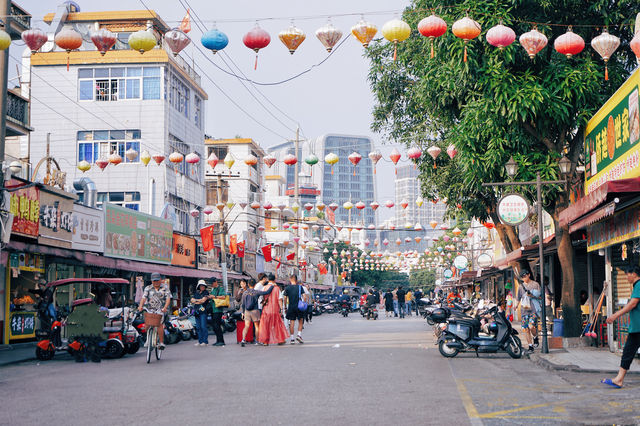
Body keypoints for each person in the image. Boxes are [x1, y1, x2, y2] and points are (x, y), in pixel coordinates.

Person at [602, 266, 640, 388]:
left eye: (627, 274)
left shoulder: (639, 285)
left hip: (638, 328)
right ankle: (619, 379)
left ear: (634, 274)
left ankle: (619, 379)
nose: (626, 277)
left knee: (628, 352)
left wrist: (615, 315)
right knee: (628, 352)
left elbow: (633, 304)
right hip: (637, 327)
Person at [137, 272, 171, 350]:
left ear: (160, 280)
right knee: (147, 324)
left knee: (159, 324)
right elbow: (143, 298)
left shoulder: (165, 288)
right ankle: (147, 339)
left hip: (161, 310)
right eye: (154, 281)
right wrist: (140, 306)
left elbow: (168, 299)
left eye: (157, 280)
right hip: (150, 309)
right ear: (151, 281)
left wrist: (165, 307)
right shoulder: (148, 288)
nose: (155, 282)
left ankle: (161, 342)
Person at [240, 279, 274, 346]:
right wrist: (272, 286)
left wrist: (243, 312)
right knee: (256, 326)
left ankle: (243, 339)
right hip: (255, 311)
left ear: (248, 285)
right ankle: (257, 341)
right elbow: (267, 292)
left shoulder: (245, 293)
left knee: (246, 326)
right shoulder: (256, 292)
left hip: (247, 311)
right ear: (255, 285)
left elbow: (243, 304)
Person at [258, 274, 289, 345]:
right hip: (275, 310)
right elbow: (280, 299)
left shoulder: (264, 288)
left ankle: (265, 341)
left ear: (268, 280)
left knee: (266, 325)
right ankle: (280, 340)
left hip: (266, 310)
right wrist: (282, 309)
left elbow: (261, 298)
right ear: (274, 280)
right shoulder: (277, 288)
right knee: (277, 325)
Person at [514, 270, 541, 353]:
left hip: (533, 309)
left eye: (525, 276)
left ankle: (535, 337)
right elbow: (518, 298)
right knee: (525, 329)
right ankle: (530, 346)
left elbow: (540, 297)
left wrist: (532, 296)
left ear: (529, 275)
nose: (524, 278)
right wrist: (516, 306)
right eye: (522, 277)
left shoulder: (535, 284)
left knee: (531, 326)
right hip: (524, 310)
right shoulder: (521, 286)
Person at [284, 273, 307, 344]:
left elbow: (285, 298)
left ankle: (292, 339)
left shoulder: (287, 288)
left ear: (290, 280)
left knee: (292, 322)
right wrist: (304, 303)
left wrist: (285, 307)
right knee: (300, 320)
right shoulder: (300, 287)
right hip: (299, 307)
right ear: (296, 280)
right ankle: (299, 335)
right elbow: (305, 297)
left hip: (291, 307)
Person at [190, 280, 210, 346]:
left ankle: (205, 341)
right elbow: (192, 300)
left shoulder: (206, 292)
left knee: (203, 326)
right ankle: (200, 341)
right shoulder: (197, 293)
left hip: (203, 312)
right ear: (199, 286)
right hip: (196, 311)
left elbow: (203, 301)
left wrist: (196, 301)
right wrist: (198, 301)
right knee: (198, 327)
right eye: (201, 286)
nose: (202, 287)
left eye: (203, 286)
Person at [208, 278, 226, 347]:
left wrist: (214, 296)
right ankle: (218, 341)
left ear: (215, 282)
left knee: (217, 325)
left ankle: (221, 341)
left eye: (212, 283)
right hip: (213, 309)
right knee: (214, 326)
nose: (211, 285)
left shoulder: (220, 289)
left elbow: (224, 297)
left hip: (218, 310)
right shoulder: (213, 289)